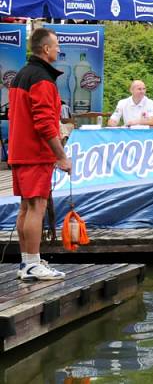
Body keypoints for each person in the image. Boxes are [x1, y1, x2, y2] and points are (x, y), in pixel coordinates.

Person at [8, 28, 72, 281]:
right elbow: (45, 124)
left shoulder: (22, 74)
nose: (58, 49)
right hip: (35, 153)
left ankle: (27, 262)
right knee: (36, 207)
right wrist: (61, 156)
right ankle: (33, 264)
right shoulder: (42, 78)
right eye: (56, 46)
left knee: (26, 207)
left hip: (19, 151)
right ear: (46, 49)